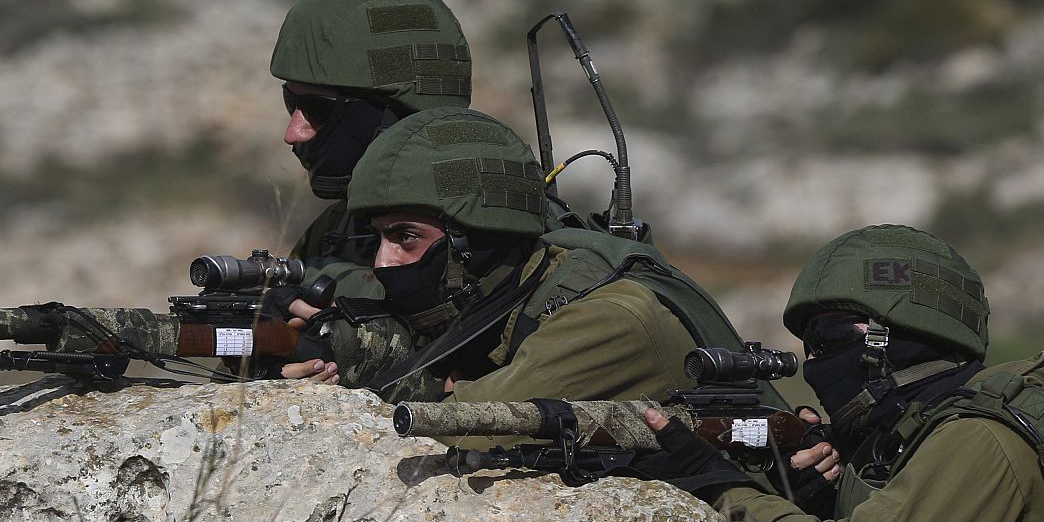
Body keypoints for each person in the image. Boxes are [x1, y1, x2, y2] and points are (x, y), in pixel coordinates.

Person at [640, 224, 1044, 522]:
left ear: (894, 340)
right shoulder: (915, 433)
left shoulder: (978, 435)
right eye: (808, 345)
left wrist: (720, 486)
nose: (812, 363)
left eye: (828, 339)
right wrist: (826, 496)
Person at [290, 107, 787, 408]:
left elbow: (468, 424)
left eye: (406, 237)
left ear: (478, 240)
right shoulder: (488, 296)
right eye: (377, 238)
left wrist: (368, 363)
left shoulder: (603, 318)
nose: (384, 262)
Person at [271, 0, 473, 276]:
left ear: (396, 114)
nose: (293, 133)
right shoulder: (337, 229)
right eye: (291, 103)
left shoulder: (489, 235)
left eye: (318, 110)